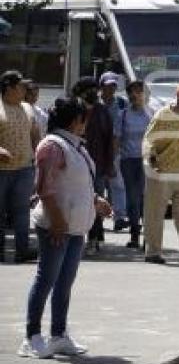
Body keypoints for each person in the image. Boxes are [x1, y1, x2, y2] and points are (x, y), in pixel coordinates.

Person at [18, 97, 112, 359]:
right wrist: (57, 220)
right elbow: (45, 188)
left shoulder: (75, 146)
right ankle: (32, 336)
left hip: (75, 226)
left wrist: (96, 200)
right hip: (56, 225)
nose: (86, 124)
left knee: (64, 283)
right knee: (46, 279)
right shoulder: (52, 146)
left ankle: (59, 335)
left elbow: (77, 184)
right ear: (75, 121)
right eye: (84, 119)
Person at [142, 82, 179, 265]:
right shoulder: (163, 115)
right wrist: (150, 159)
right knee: (155, 213)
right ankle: (153, 253)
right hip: (161, 171)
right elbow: (149, 139)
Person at [0, 70, 40, 263]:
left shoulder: (28, 108)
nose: (24, 89)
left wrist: (38, 157)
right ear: (9, 87)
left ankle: (22, 250)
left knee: (22, 210)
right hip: (1, 171)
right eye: (20, 86)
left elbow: (35, 134)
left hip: (24, 168)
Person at [72, 77, 114, 256]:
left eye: (95, 90)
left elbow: (109, 140)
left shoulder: (102, 111)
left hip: (97, 165)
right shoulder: (71, 108)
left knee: (95, 202)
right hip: (73, 164)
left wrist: (109, 165)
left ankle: (94, 238)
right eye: (90, 90)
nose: (94, 93)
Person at [118, 80, 152, 249]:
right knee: (132, 198)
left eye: (138, 91)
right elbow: (117, 138)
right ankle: (134, 234)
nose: (135, 95)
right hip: (128, 161)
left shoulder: (152, 114)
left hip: (146, 160)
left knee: (146, 198)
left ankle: (148, 236)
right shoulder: (123, 114)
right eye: (131, 92)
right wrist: (112, 160)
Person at [100, 72, 128, 232]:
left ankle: (119, 217)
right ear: (101, 86)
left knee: (117, 184)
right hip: (96, 150)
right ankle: (96, 219)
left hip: (116, 149)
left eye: (113, 86)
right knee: (97, 185)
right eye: (107, 86)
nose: (110, 89)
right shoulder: (96, 104)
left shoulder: (122, 103)